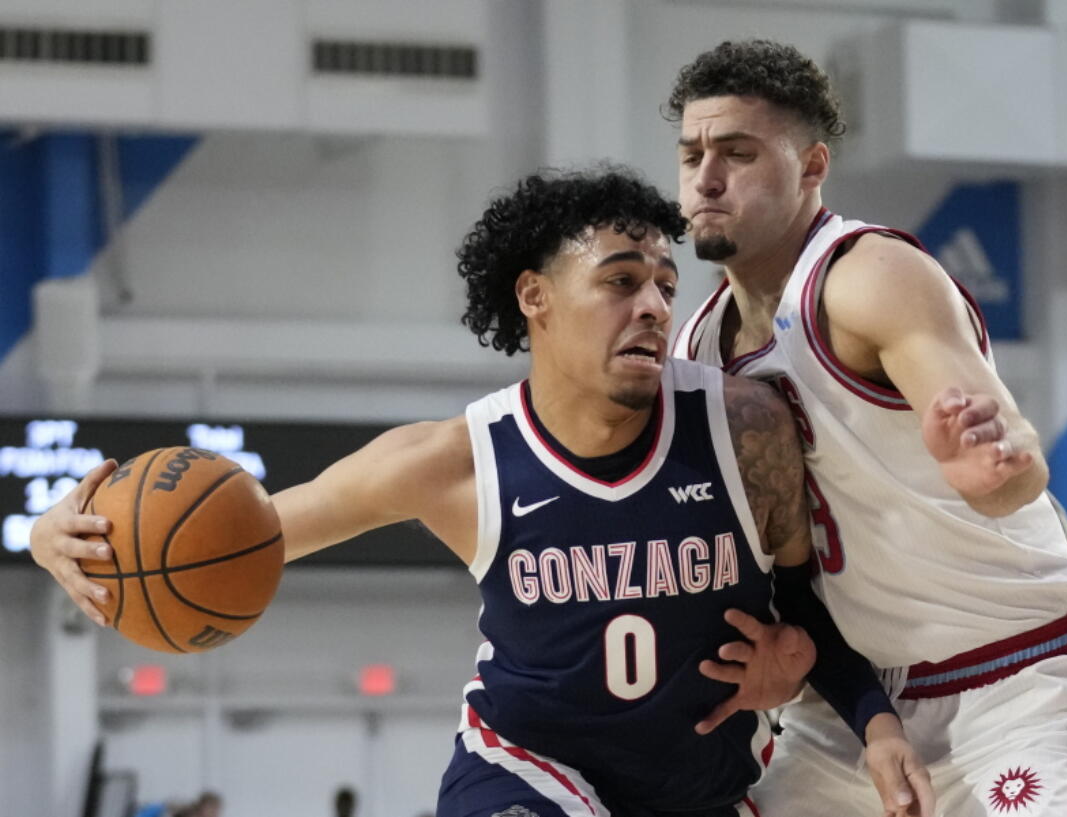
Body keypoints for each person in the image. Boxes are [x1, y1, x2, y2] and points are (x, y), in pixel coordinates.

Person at [31, 169, 934, 817]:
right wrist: (50, 535)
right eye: (621, 281)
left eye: (665, 283)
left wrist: (869, 716)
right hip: (525, 773)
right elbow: (256, 533)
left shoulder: (745, 428)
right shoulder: (452, 460)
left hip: (704, 788)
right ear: (535, 296)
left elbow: (808, 601)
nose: (655, 305)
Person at [664, 39, 1067, 816]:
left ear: (812, 167)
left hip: (1011, 681)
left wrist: (991, 468)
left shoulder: (868, 278)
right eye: (691, 155)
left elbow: (1011, 459)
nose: (706, 178)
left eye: (737, 153)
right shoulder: (698, 348)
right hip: (850, 708)